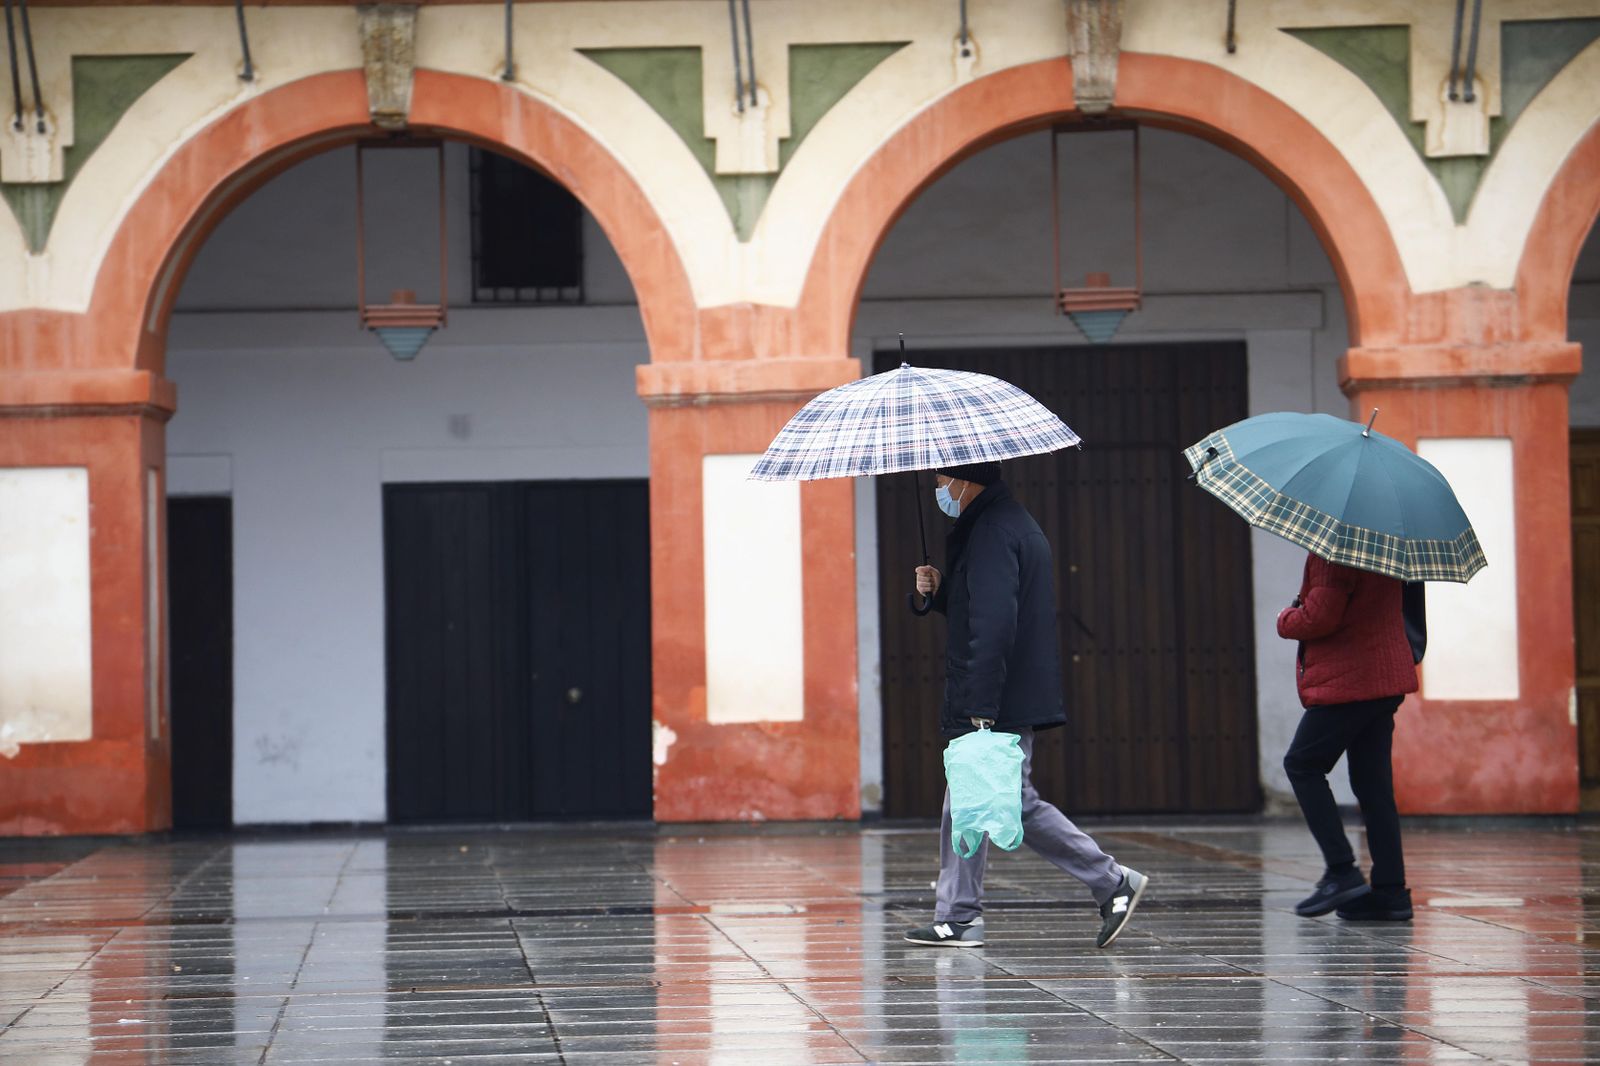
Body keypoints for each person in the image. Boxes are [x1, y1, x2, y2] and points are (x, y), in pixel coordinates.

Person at [901, 461, 1148, 950]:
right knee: (966, 801)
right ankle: (958, 915)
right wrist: (941, 592)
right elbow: (980, 606)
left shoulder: (993, 531)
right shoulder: (1000, 523)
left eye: (941, 481)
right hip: (999, 692)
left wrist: (981, 706)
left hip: (997, 697)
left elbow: (994, 624)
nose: (939, 490)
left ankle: (1110, 880)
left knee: (1010, 801)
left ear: (963, 482)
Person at [1278, 553, 1423, 922]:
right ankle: (1391, 891)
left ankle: (1341, 870)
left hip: (1349, 680)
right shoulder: (1384, 545)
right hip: (1383, 678)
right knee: (1373, 786)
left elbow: (1321, 617)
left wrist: (1286, 617)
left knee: (1302, 765)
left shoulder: (1335, 551)